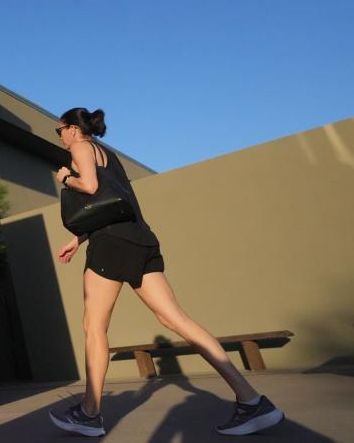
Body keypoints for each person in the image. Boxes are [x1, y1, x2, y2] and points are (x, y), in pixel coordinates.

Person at [47, 107, 284, 437]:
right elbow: (115, 203)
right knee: (177, 319)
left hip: (112, 245)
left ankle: (89, 413)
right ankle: (252, 400)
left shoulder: (80, 148)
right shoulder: (109, 156)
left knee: (94, 327)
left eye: (59, 131)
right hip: (140, 240)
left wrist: (65, 178)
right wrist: (79, 238)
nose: (59, 137)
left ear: (73, 129)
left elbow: (88, 187)